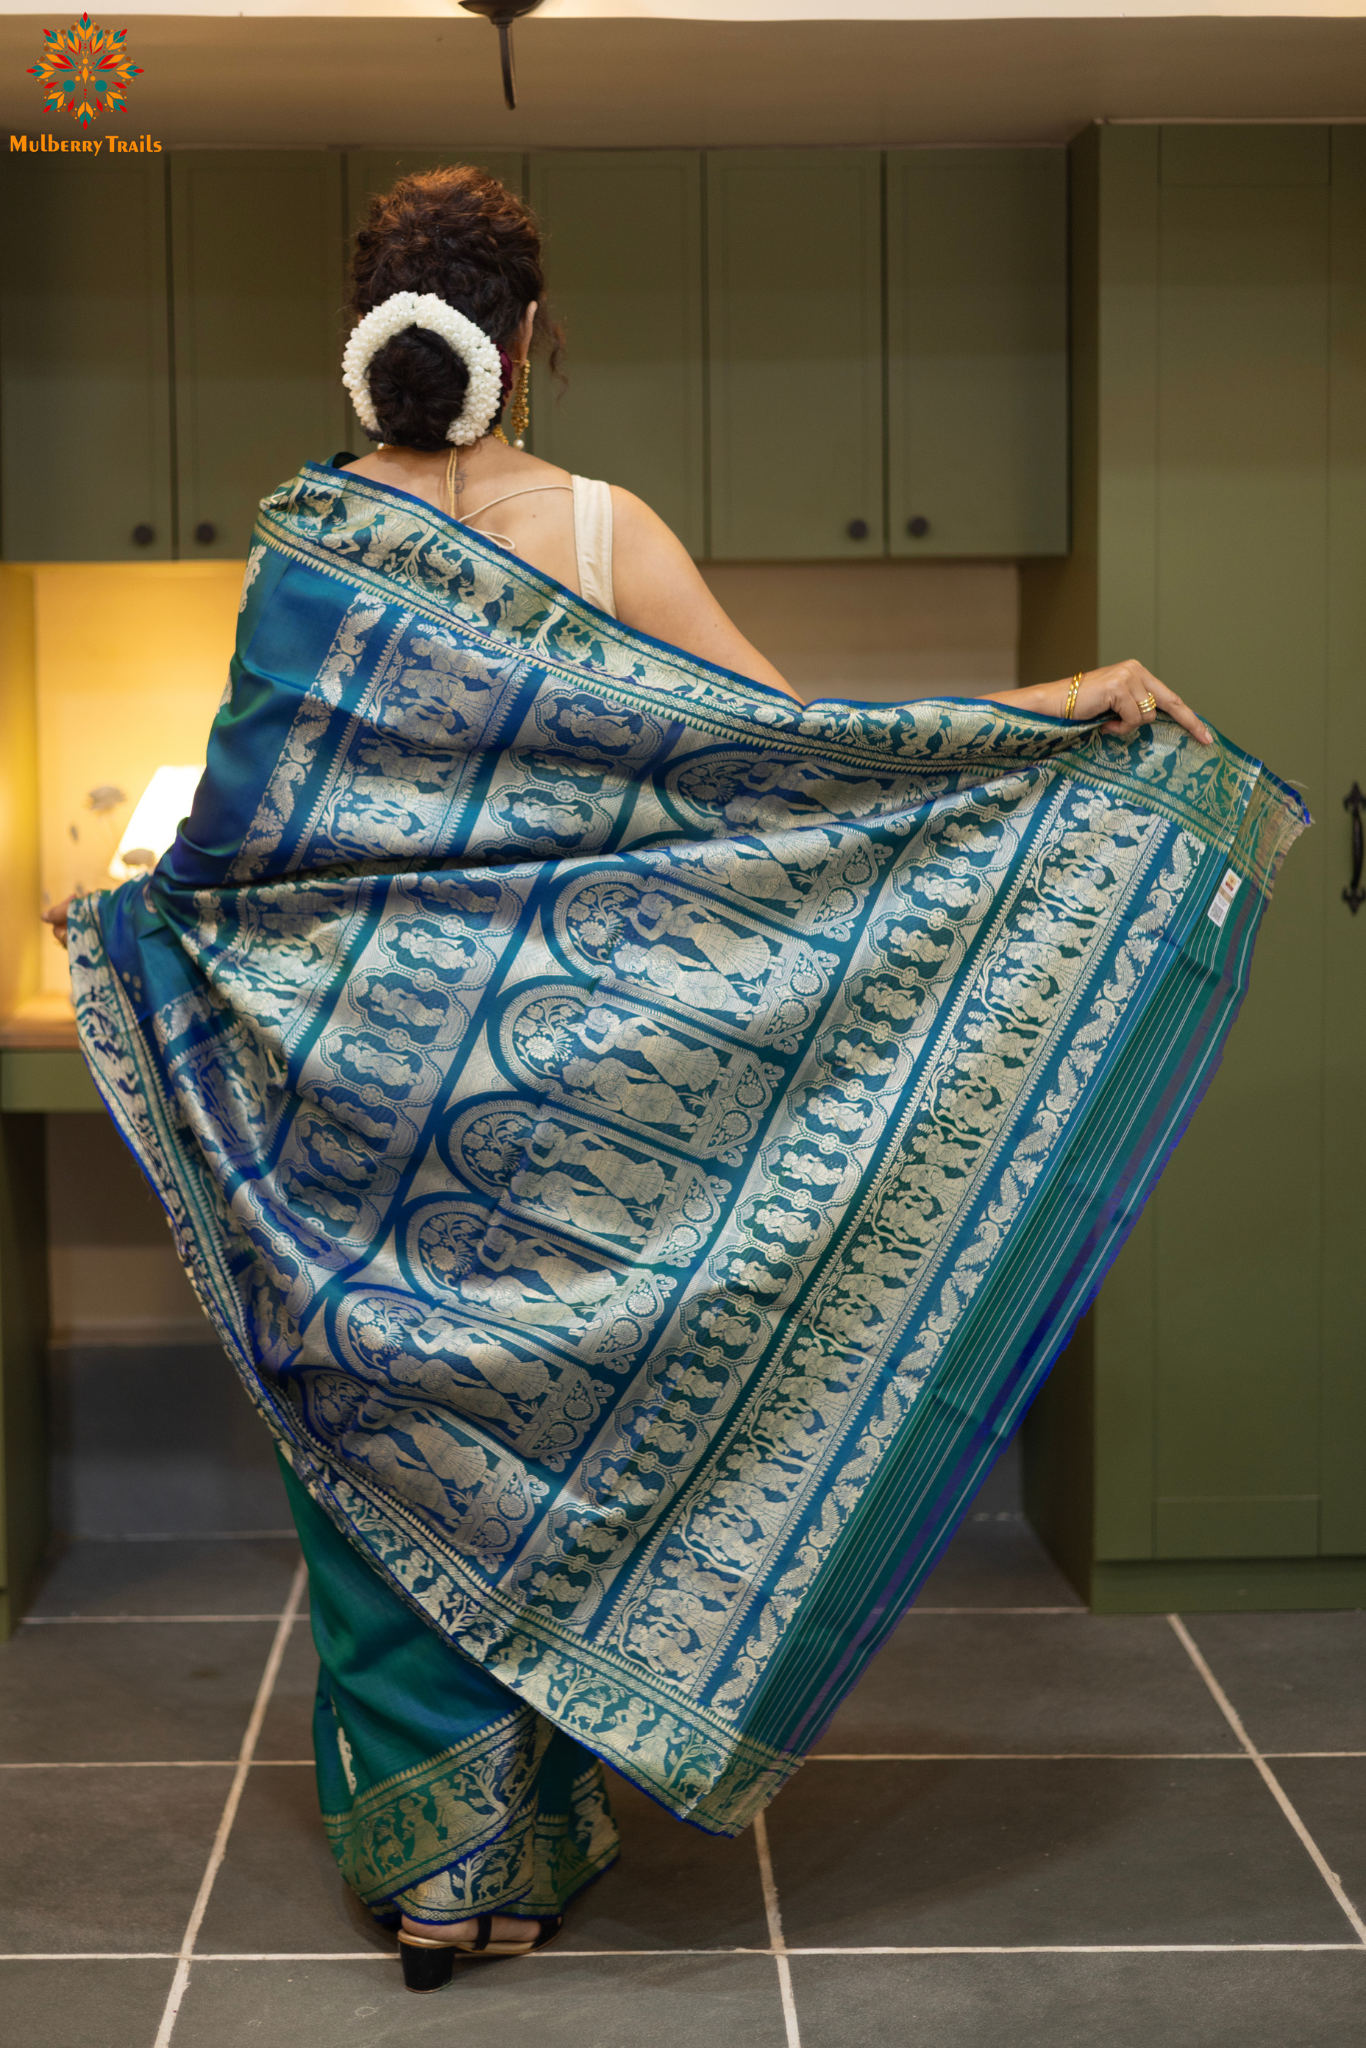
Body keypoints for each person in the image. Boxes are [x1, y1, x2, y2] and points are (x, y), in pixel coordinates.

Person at [46, 167, 1294, 1996]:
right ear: (535, 339)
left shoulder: (308, 546)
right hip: (550, 1112)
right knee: (541, 1470)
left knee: (385, 1476)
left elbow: (253, 852)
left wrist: (151, 938)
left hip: (344, 1112)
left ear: (368, 338)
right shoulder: (599, 527)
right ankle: (531, 1865)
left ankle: (433, 1891)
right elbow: (793, 764)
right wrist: (1049, 708)